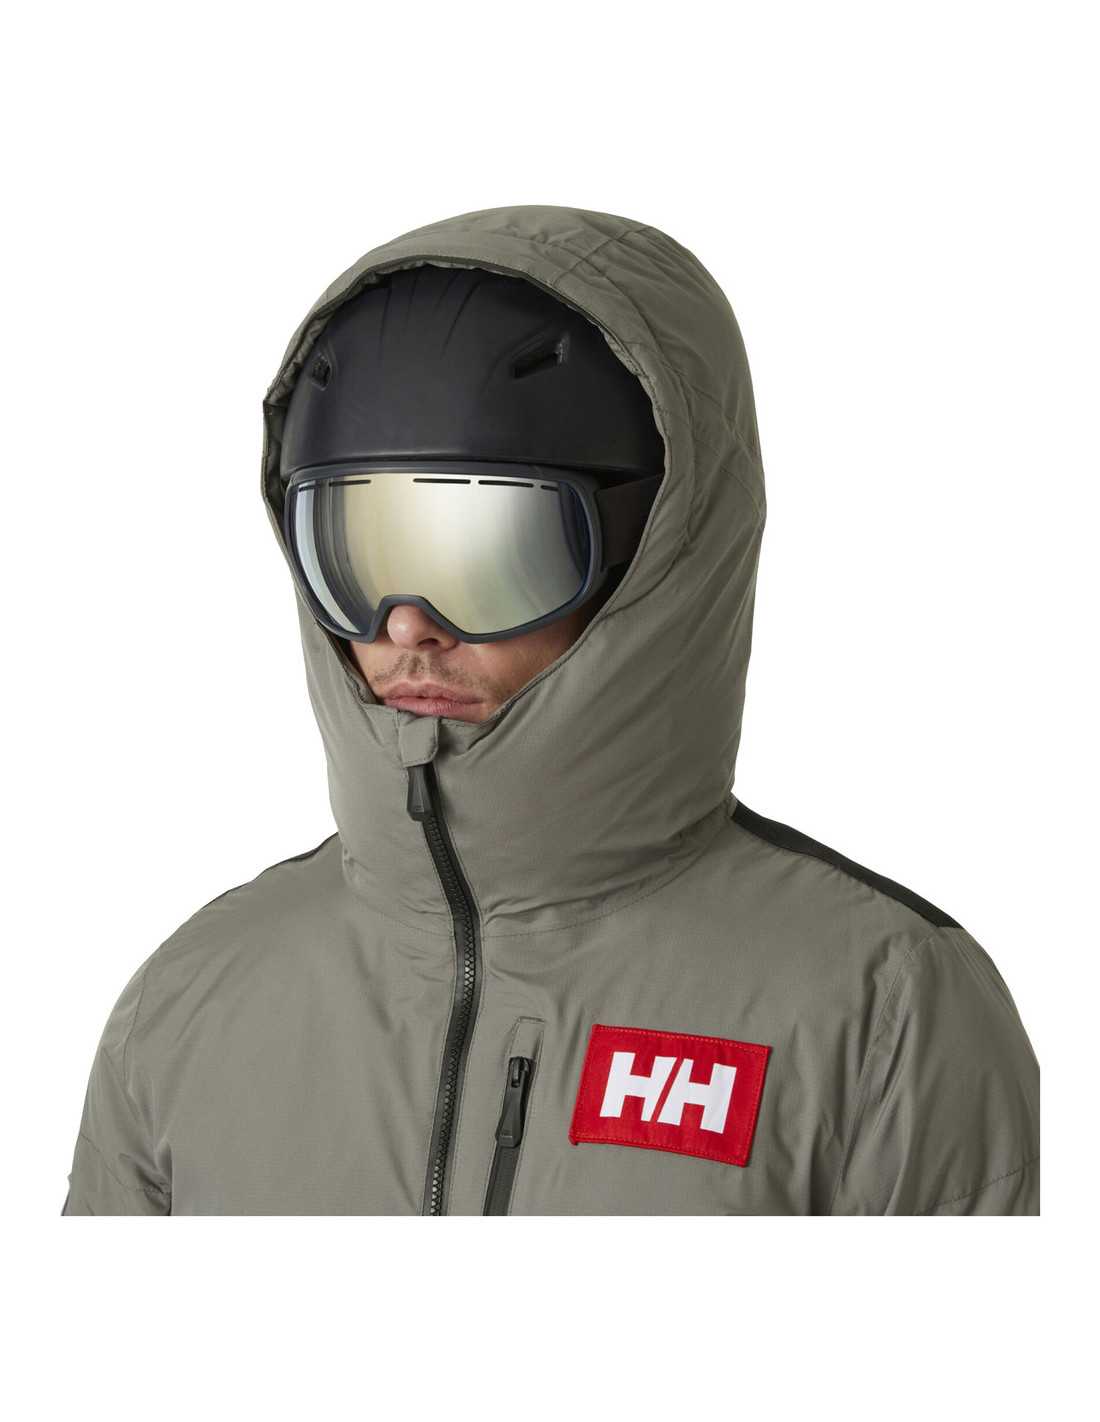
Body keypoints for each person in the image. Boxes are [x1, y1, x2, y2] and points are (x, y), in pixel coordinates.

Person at [61, 205, 1039, 1215]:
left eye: (487, 553)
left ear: (652, 554)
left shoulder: (882, 1010)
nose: (406, 625)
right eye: (354, 550)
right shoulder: (190, 1001)